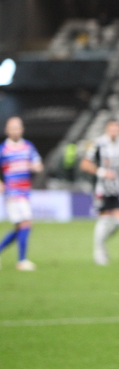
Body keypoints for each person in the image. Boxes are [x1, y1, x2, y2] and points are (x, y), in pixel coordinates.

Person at [80, 120, 119, 266]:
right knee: (104, 219)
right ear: (107, 130)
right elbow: (84, 164)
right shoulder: (98, 143)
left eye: (117, 129)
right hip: (101, 188)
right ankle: (98, 252)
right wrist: (102, 172)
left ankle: (102, 243)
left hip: (117, 187)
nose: (114, 132)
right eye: (111, 129)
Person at [0, 116, 42, 271]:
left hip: (25, 192)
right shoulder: (3, 149)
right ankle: (22, 261)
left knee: (20, 228)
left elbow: (38, 164)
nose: (15, 130)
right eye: (12, 127)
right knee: (26, 223)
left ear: (22, 129)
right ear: (7, 130)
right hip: (12, 192)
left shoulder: (28, 147)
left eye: (18, 127)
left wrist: (35, 167)